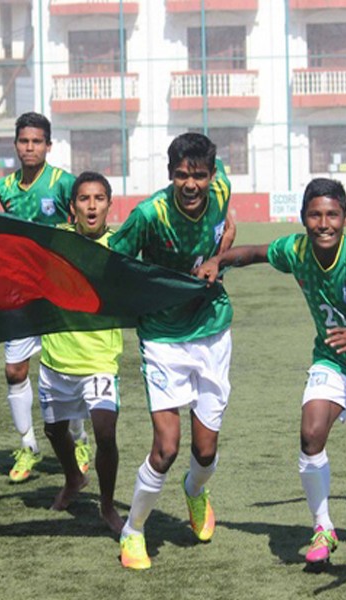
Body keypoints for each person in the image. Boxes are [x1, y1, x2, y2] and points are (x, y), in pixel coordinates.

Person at [196, 178, 346, 566]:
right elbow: (255, 253)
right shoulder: (297, 249)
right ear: (303, 218)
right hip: (331, 360)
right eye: (315, 215)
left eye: (332, 214)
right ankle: (322, 527)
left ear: (345, 218)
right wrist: (220, 260)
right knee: (311, 432)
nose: (324, 223)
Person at [109, 132, 233, 570]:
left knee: (204, 453)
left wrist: (219, 258)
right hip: (162, 338)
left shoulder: (222, 190)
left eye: (198, 174)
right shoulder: (149, 215)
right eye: (182, 175)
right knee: (166, 447)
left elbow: (228, 227)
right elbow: (111, 262)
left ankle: (196, 492)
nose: (191, 184)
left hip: (213, 332)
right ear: (170, 175)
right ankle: (134, 531)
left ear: (211, 175)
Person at [0, 112, 88, 483]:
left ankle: (80, 441)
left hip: (59, 291)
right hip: (20, 293)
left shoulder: (64, 184)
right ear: (16, 144)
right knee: (14, 370)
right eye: (23, 141)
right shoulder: (4, 188)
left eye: (36, 142)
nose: (29, 147)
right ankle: (28, 446)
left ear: (48, 146)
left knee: (68, 369)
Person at [38, 171, 124, 533]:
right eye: (84, 199)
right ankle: (74, 478)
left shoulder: (122, 245)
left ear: (109, 204)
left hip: (100, 360)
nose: (92, 206)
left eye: (99, 198)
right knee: (54, 431)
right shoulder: (55, 240)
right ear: (72, 207)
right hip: (56, 356)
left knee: (104, 433)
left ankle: (107, 506)